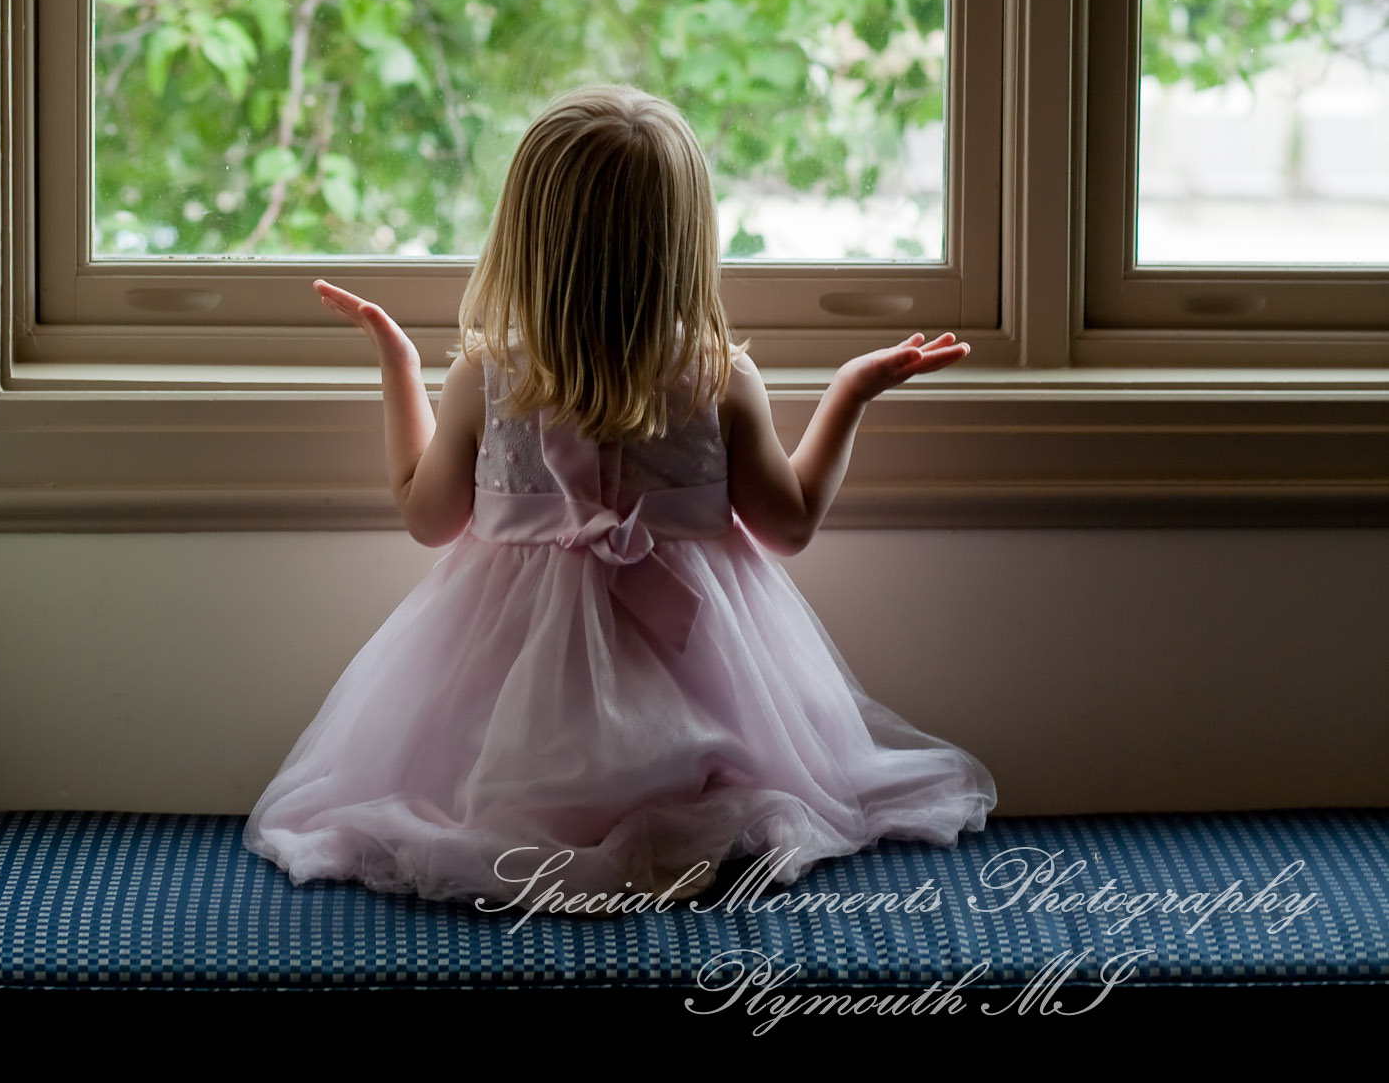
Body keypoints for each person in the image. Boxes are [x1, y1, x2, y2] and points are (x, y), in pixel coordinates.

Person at [245, 86, 994, 901]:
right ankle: (672, 820)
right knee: (724, 776)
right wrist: (848, 394)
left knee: (473, 783)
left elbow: (428, 519)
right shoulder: (717, 379)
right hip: (702, 686)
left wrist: (395, 363)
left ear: (527, 239)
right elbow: (790, 525)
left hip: (512, 729)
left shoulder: (487, 378)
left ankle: (552, 828)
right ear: (683, 244)